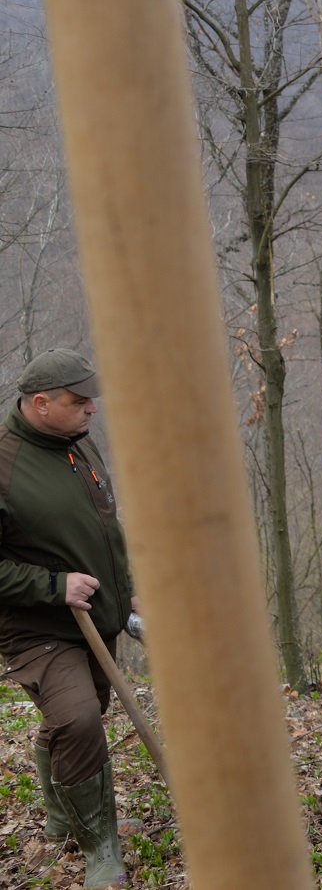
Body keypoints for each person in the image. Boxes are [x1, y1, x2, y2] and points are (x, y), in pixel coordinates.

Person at [0, 349, 138, 888]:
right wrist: (54, 587)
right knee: (79, 719)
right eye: (80, 402)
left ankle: (61, 811)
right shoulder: (5, 466)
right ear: (41, 404)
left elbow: (107, 530)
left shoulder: (79, 446)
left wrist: (130, 594)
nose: (91, 411)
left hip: (97, 618)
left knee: (80, 716)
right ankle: (101, 847)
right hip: (37, 628)